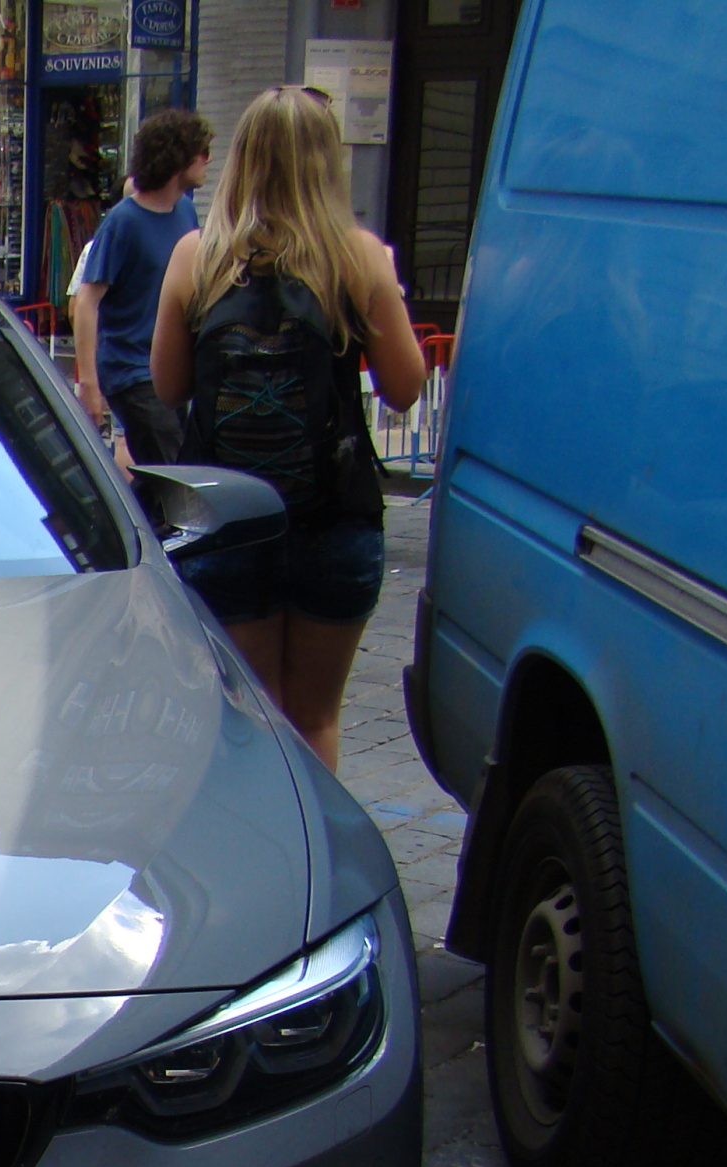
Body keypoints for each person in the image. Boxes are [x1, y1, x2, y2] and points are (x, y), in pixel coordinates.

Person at [149, 85, 427, 771]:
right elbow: (406, 387)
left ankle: (244, 862)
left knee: (245, 722)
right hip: (333, 522)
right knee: (314, 720)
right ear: (327, 164)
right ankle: (311, 869)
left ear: (241, 159)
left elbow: (169, 385)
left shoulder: (197, 256)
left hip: (227, 521)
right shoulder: (356, 257)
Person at [71, 107, 210, 466]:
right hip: (132, 371)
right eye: (201, 152)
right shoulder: (124, 221)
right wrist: (89, 383)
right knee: (175, 474)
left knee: (172, 473)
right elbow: (87, 301)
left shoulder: (186, 213)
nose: (208, 160)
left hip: (172, 367)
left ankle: (139, 520)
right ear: (178, 157)